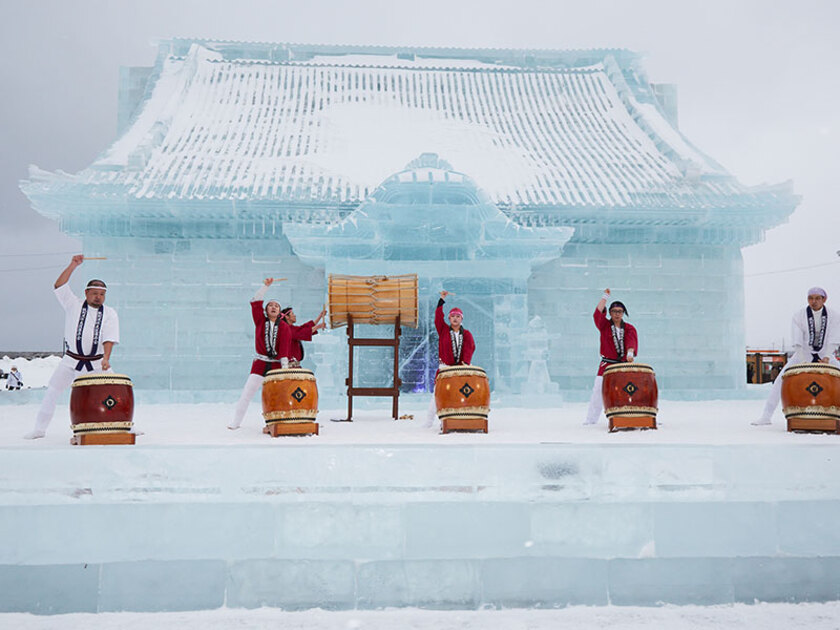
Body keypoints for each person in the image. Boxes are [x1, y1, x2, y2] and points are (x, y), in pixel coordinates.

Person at [25, 255, 120, 439]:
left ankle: (123, 426)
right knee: (53, 391)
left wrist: (106, 358)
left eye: (101, 294)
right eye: (94, 293)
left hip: (97, 362)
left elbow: (109, 338)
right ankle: (39, 429)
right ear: (86, 293)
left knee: (114, 390)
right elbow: (59, 285)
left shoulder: (110, 313)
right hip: (71, 360)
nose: (98, 297)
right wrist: (73, 265)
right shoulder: (73, 304)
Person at [753, 287, 840, 425]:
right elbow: (797, 341)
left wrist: (828, 356)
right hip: (803, 353)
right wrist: (803, 360)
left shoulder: (834, 315)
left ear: (824, 299)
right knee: (780, 380)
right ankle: (766, 416)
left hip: (825, 353)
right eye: (811, 298)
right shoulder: (799, 315)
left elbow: (834, 338)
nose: (814, 301)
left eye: (817, 298)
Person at [228, 278, 293, 430]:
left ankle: (279, 422)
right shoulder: (260, 321)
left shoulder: (284, 327)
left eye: (277, 306)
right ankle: (236, 422)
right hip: (260, 363)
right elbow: (255, 300)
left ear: (280, 312)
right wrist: (266, 286)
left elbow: (284, 348)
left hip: (277, 365)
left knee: (280, 395)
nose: (273, 307)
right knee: (247, 394)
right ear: (265, 310)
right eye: (270, 305)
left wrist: (284, 368)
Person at [584, 288, 638, 425]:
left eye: (619, 311)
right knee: (597, 392)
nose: (617, 314)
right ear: (610, 313)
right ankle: (590, 421)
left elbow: (631, 341)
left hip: (622, 365)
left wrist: (630, 353)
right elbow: (597, 314)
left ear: (623, 313)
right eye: (614, 311)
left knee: (627, 392)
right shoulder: (604, 326)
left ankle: (629, 418)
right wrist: (605, 297)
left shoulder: (629, 328)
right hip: (606, 365)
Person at [424, 290, 476, 429]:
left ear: (462, 319)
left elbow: (470, 347)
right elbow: (437, 318)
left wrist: (465, 362)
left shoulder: (467, 334)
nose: (455, 319)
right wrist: (441, 299)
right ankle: (429, 422)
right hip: (445, 368)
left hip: (460, 369)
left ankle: (450, 422)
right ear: (449, 319)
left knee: (456, 396)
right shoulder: (443, 330)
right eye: (452, 316)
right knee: (437, 395)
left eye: (457, 316)